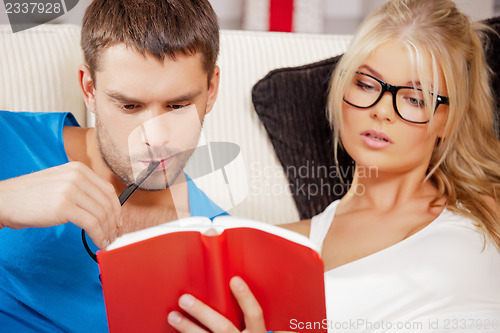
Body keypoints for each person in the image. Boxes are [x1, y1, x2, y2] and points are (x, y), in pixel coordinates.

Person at [166, 0, 500, 332]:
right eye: (367, 84)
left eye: (414, 98)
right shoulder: (285, 245)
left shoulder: (486, 203)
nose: (382, 111)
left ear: (449, 120)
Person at [0, 0, 226, 331]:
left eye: (178, 105)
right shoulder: (7, 140)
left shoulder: (223, 243)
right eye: (130, 106)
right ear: (89, 89)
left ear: (211, 90)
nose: (156, 138)